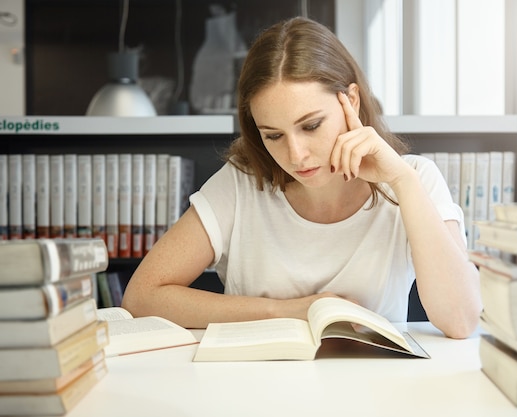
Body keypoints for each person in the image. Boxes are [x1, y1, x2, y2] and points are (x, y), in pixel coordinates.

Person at [122, 16, 481, 339]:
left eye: (311, 126)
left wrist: (402, 183)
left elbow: (461, 320)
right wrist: (288, 311)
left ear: (350, 101)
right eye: (273, 135)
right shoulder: (241, 184)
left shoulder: (414, 178)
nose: (296, 155)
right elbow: (141, 297)